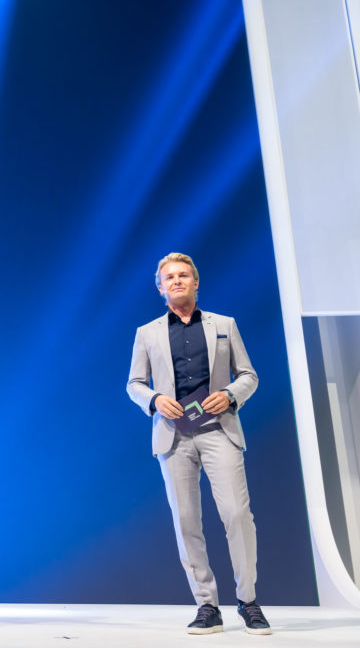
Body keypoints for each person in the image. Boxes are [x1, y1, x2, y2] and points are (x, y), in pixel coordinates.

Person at [127, 253, 271, 635]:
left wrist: (231, 394)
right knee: (186, 521)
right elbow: (134, 384)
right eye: (169, 277)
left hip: (218, 429)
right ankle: (207, 605)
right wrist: (155, 400)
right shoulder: (147, 333)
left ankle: (248, 601)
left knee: (237, 514)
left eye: (183, 275)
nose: (176, 280)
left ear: (195, 282)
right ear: (160, 288)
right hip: (173, 435)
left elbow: (249, 374)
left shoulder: (224, 325)